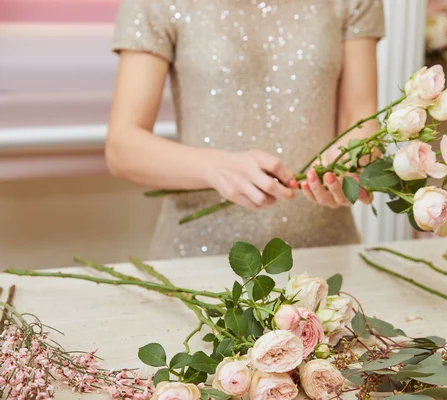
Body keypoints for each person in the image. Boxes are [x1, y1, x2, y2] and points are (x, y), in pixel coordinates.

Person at [107, 0, 385, 258]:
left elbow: (360, 118)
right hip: (196, 259)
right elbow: (123, 146)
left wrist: (352, 157)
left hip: (325, 258)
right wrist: (214, 167)